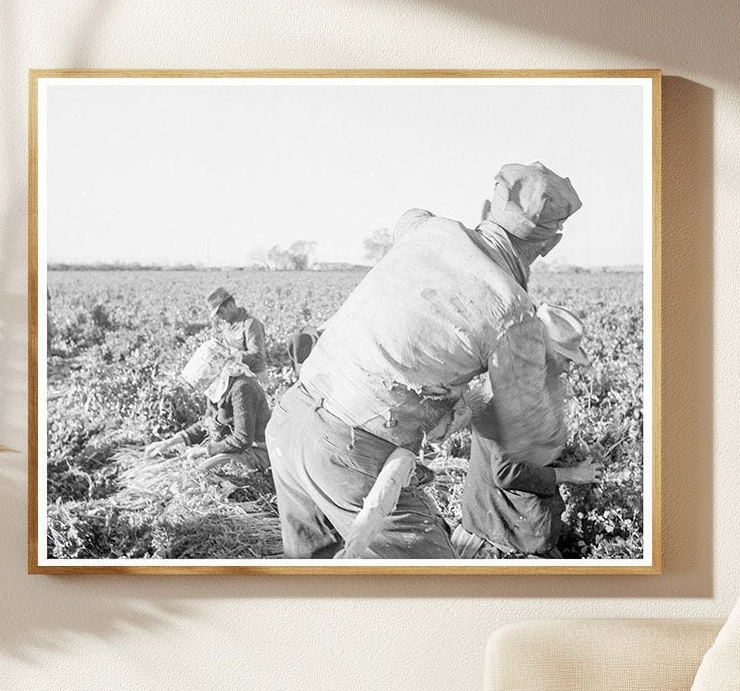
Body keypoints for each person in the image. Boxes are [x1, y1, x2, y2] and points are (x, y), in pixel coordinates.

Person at [265, 161, 582, 559]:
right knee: (436, 592)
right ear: (549, 244)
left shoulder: (431, 230)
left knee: (322, 584)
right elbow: (528, 440)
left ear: (488, 209)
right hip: (347, 452)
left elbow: (409, 218)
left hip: (291, 418)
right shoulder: (513, 311)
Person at [452, 305, 604, 559]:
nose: (567, 368)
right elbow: (507, 473)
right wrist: (572, 474)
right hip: (502, 532)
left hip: (498, 518)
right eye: (565, 358)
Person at [145, 339, 271, 473]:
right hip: (235, 447)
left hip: (257, 451)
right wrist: (170, 442)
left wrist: (204, 451)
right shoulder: (221, 387)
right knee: (177, 464)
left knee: (198, 472)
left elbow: (242, 439)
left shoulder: (242, 388)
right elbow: (207, 424)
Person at [206, 287, 268, 378]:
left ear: (230, 305)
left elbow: (258, 354)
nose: (219, 317)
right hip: (237, 374)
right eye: (217, 314)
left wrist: (234, 357)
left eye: (221, 312)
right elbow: (227, 349)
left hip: (255, 375)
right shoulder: (227, 326)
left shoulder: (250, 323)